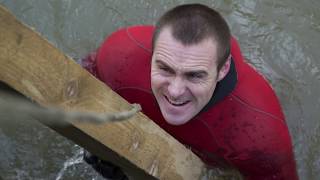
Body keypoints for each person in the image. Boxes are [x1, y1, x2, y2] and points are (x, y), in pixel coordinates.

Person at [82, 4, 298, 180]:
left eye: (194, 75)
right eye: (165, 68)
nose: (175, 92)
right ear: (152, 54)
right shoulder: (121, 57)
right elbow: (85, 82)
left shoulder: (258, 135)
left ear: (222, 69)